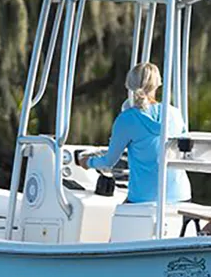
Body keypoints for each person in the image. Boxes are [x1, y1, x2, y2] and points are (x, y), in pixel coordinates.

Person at [77, 62, 192, 204]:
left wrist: (87, 162)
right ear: (158, 84)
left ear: (129, 84)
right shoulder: (174, 114)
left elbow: (108, 162)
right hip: (181, 195)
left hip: (144, 198)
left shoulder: (126, 119)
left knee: (117, 217)